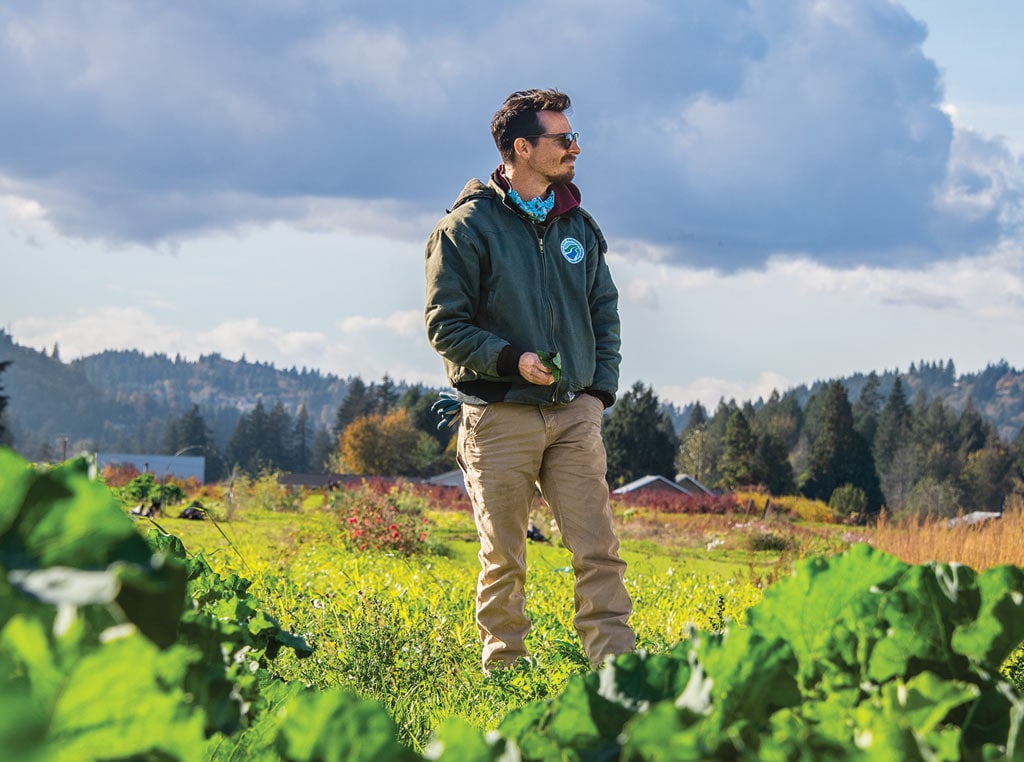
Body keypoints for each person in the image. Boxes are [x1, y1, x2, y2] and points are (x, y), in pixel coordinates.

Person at [424, 88, 635, 673]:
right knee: (505, 556)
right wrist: (512, 360)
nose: (575, 147)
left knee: (598, 550)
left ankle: (617, 674)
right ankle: (505, 676)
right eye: (562, 140)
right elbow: (446, 325)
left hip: (573, 415)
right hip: (499, 415)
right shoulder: (466, 228)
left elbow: (604, 312)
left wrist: (596, 393)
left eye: (573, 137)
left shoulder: (579, 226)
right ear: (522, 148)